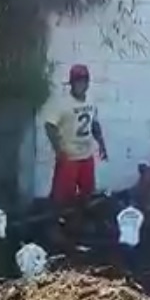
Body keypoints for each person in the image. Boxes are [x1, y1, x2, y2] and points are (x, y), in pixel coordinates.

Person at [42, 64, 108, 206]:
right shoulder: (62, 103)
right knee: (63, 197)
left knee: (87, 194)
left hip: (86, 155)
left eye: (83, 81)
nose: (80, 85)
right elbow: (49, 125)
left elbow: (94, 123)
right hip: (69, 156)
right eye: (77, 81)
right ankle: (60, 222)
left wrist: (101, 144)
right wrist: (58, 150)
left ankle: (82, 222)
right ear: (71, 83)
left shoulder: (91, 100)